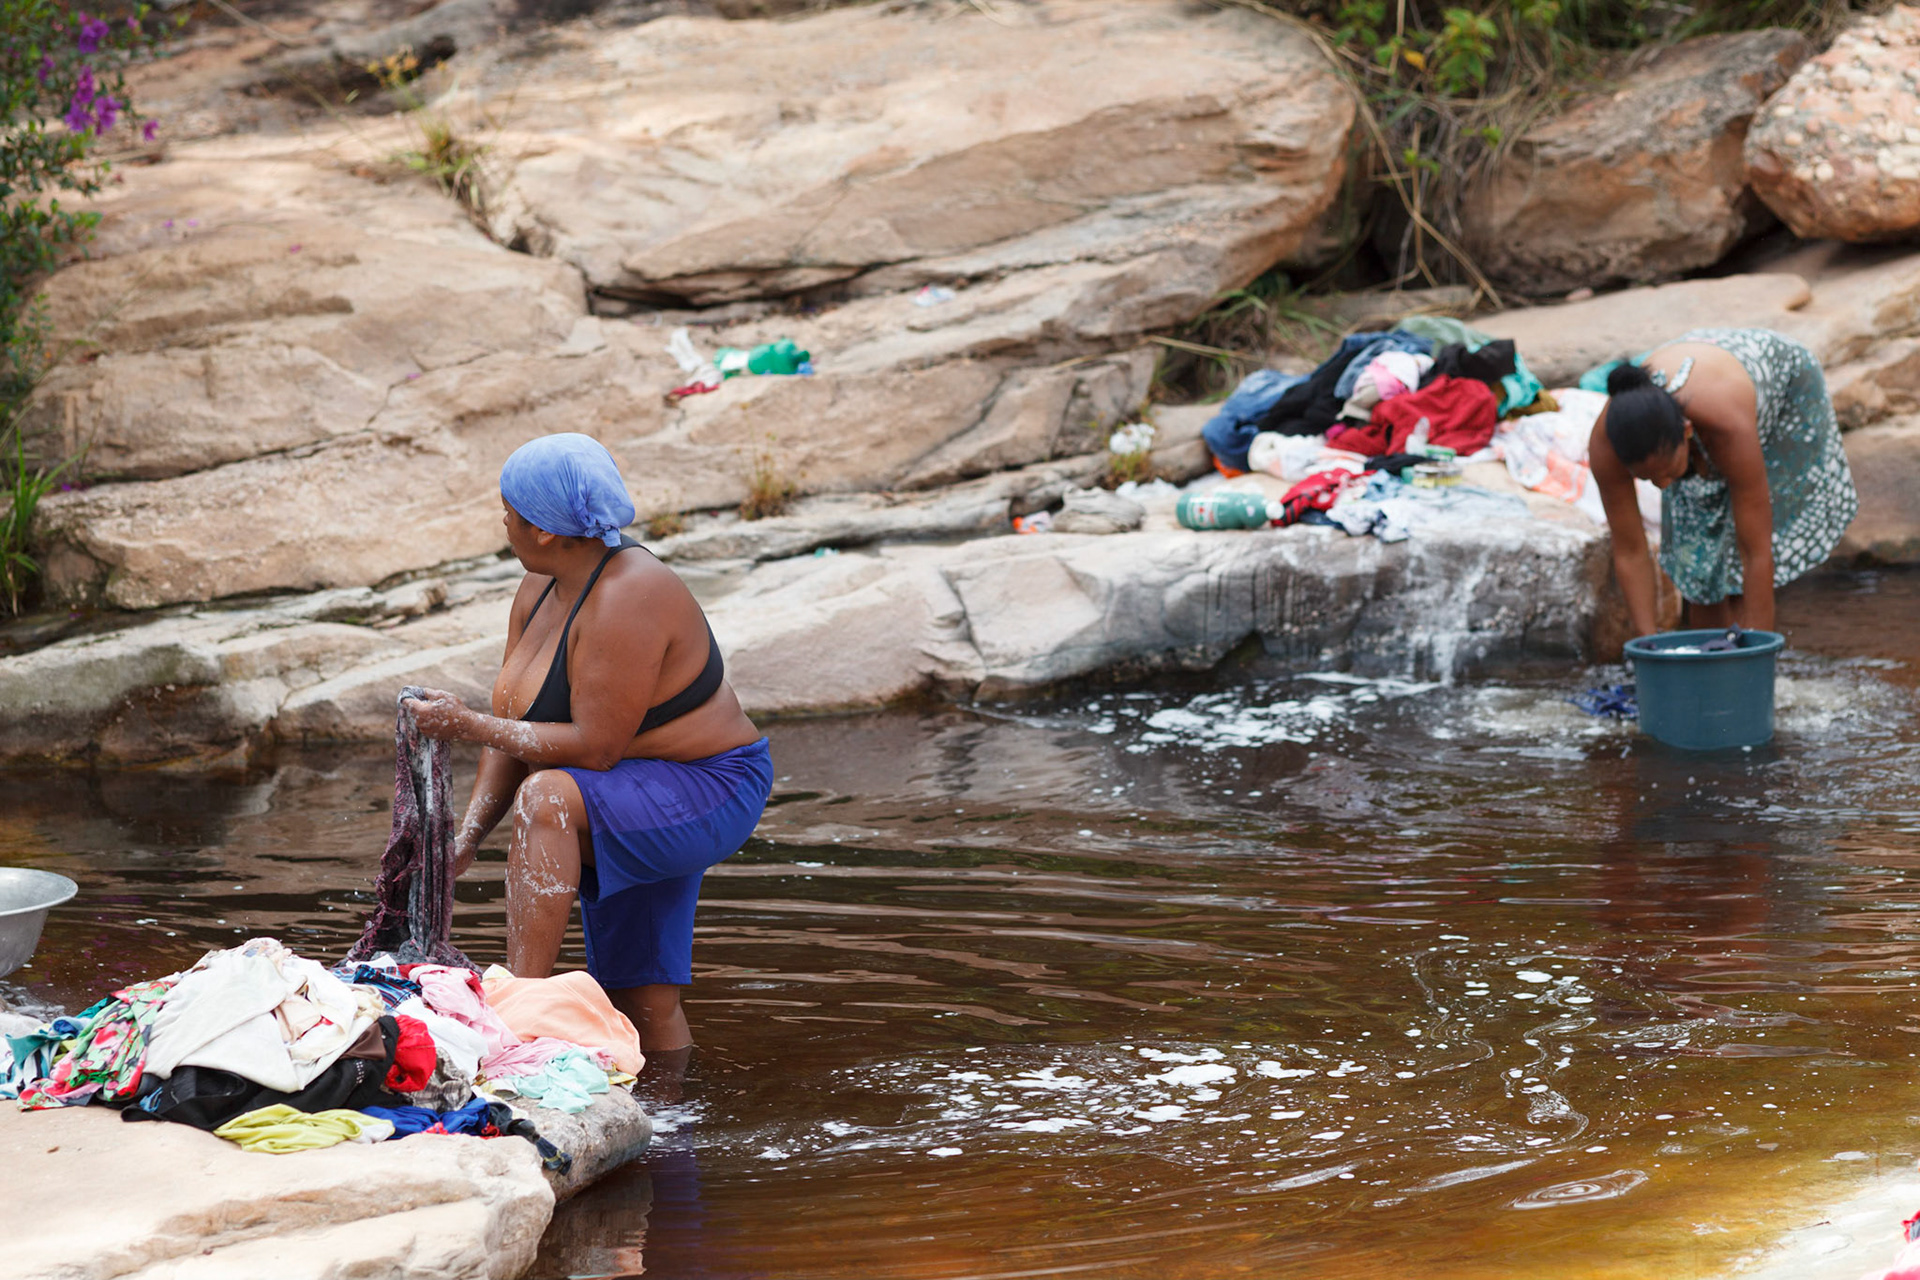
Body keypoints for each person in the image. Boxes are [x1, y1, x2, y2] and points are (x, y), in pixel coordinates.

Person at [403, 433, 771, 1059]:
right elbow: (517, 725)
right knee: (641, 997)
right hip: (623, 785)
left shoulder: (630, 593)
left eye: (509, 511)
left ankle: (518, 1011)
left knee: (546, 797)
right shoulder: (540, 584)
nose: (504, 523)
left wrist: (466, 726)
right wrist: (464, 841)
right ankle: (672, 1113)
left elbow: (594, 748)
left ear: (546, 530)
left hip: (707, 788)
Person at [1589, 328, 1857, 638]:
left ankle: (1742, 645)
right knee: (1697, 552)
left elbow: (1755, 550)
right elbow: (1630, 550)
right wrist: (1645, 643)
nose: (1662, 486)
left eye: (1667, 472)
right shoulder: (1606, 446)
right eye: (1647, 479)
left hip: (1777, 380)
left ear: (1687, 432)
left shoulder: (1727, 426)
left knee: (1748, 536)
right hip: (1701, 376)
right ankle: (1711, 650)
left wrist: (1758, 650)